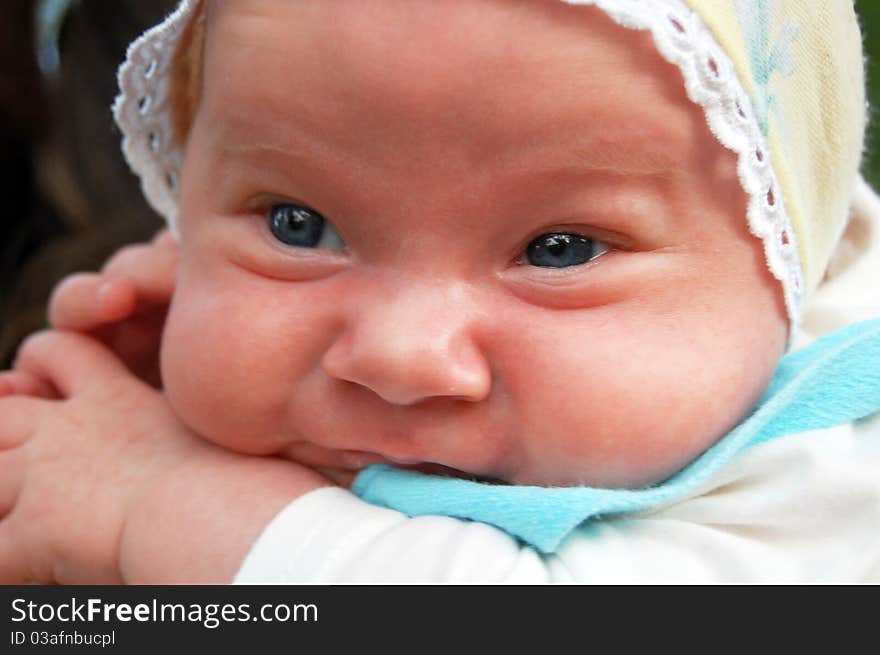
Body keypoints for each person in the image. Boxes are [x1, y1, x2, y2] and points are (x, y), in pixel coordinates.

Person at [1, 0, 879, 583]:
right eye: (296, 224)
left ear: (792, 260)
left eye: (559, 249)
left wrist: (162, 501)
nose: (398, 358)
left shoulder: (832, 469)